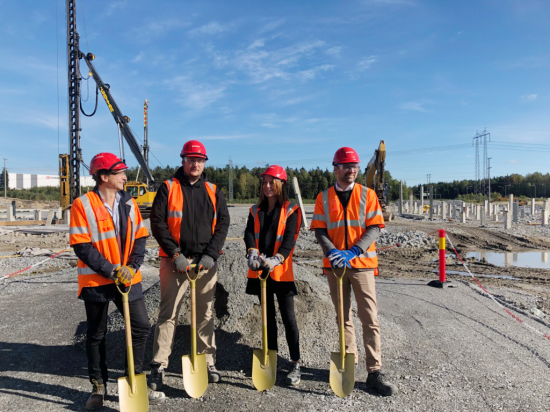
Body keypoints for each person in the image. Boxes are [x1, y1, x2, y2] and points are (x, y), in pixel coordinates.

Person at [69, 153, 165, 411]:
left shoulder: (129, 203)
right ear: (104, 177)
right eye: (120, 172)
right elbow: (82, 245)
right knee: (96, 335)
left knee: (142, 326)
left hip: (128, 279)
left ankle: (133, 377)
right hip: (97, 281)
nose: (125, 176)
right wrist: (112, 271)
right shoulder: (83, 204)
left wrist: (131, 267)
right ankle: (98, 386)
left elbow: (140, 237)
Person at [310, 147, 398, 396]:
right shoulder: (323, 197)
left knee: (370, 318)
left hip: (361, 266)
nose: (351, 170)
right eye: (346, 166)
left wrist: (354, 251)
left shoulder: (367, 195)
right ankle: (349, 365)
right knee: (343, 317)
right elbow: (319, 229)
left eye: (355, 166)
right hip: (335, 268)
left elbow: (375, 227)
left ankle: (374, 371)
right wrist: (332, 253)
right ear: (335, 168)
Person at [148, 140, 230, 394]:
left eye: (200, 159)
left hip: (205, 265)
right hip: (175, 263)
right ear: (182, 160)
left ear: (204, 162)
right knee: (168, 314)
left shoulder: (214, 191)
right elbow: (158, 222)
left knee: (205, 315)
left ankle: (208, 362)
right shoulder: (168, 188)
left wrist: (210, 255)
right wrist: (175, 254)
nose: (195, 163)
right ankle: (159, 365)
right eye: (191, 159)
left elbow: (223, 225)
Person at [244, 165, 303, 385]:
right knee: (267, 318)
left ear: (281, 185)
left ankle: (296, 362)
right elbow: (249, 233)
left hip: (282, 272)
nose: (267, 186)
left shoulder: (291, 210)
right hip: (261, 272)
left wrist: (277, 258)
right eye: (265, 182)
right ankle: (272, 359)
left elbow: (289, 239)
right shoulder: (255, 210)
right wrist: (252, 252)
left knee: (288, 318)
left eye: (272, 182)